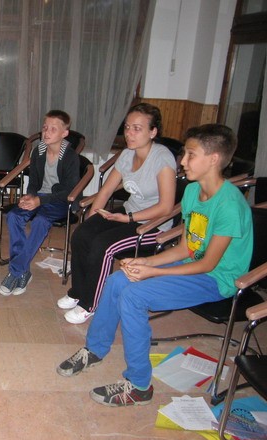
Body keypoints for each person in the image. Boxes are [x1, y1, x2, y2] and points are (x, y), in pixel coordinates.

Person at [56, 123, 253, 407]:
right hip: (193, 264)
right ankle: (95, 349)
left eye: (191, 155)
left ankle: (139, 386)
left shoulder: (229, 205)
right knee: (117, 280)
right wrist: (145, 261)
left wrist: (153, 271)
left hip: (217, 279)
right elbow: (186, 248)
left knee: (134, 296)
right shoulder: (193, 192)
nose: (182, 161)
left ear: (213, 159)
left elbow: (208, 264)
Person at [57, 103, 177, 323]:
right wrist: (91, 220)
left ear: (153, 132)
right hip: (130, 213)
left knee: (103, 245)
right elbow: (106, 191)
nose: (129, 133)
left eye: (137, 128)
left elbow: (166, 207)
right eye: (127, 127)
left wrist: (128, 218)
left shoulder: (162, 158)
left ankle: (91, 304)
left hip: (155, 225)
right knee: (81, 234)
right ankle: (78, 292)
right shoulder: (127, 154)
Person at [0, 110, 80, 296]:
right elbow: (34, 182)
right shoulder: (39, 151)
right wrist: (29, 196)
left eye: (53, 129)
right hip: (39, 197)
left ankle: (16, 271)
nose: (47, 132)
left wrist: (40, 200)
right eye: (45, 127)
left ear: (64, 133)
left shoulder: (70, 157)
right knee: (13, 216)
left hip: (61, 201)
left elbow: (68, 191)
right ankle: (24, 272)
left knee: (40, 221)